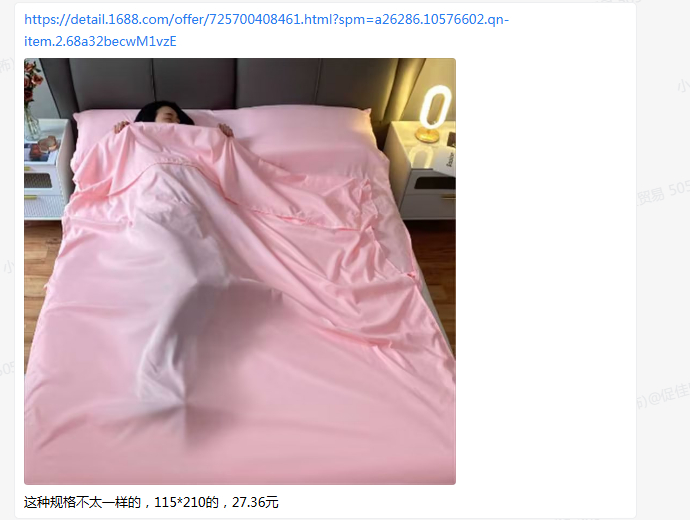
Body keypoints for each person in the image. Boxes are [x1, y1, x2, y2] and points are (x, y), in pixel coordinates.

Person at [113, 100, 233, 137]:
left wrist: (222, 138)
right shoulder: (135, 138)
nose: (176, 123)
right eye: (168, 118)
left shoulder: (192, 140)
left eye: (178, 121)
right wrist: (120, 136)